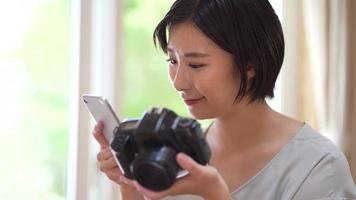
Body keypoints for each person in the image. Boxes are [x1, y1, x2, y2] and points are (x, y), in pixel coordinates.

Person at [92, 0, 356, 199]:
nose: (178, 81)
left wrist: (216, 194)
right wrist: (132, 186)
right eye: (173, 61)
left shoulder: (319, 166)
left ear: (250, 64)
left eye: (196, 65)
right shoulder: (175, 152)